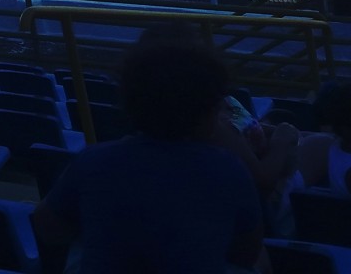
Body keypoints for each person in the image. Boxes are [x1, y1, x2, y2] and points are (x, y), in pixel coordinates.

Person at [33, 37, 263, 274]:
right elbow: (246, 253)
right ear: (208, 111)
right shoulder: (229, 169)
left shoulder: (93, 160)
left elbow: (46, 226)